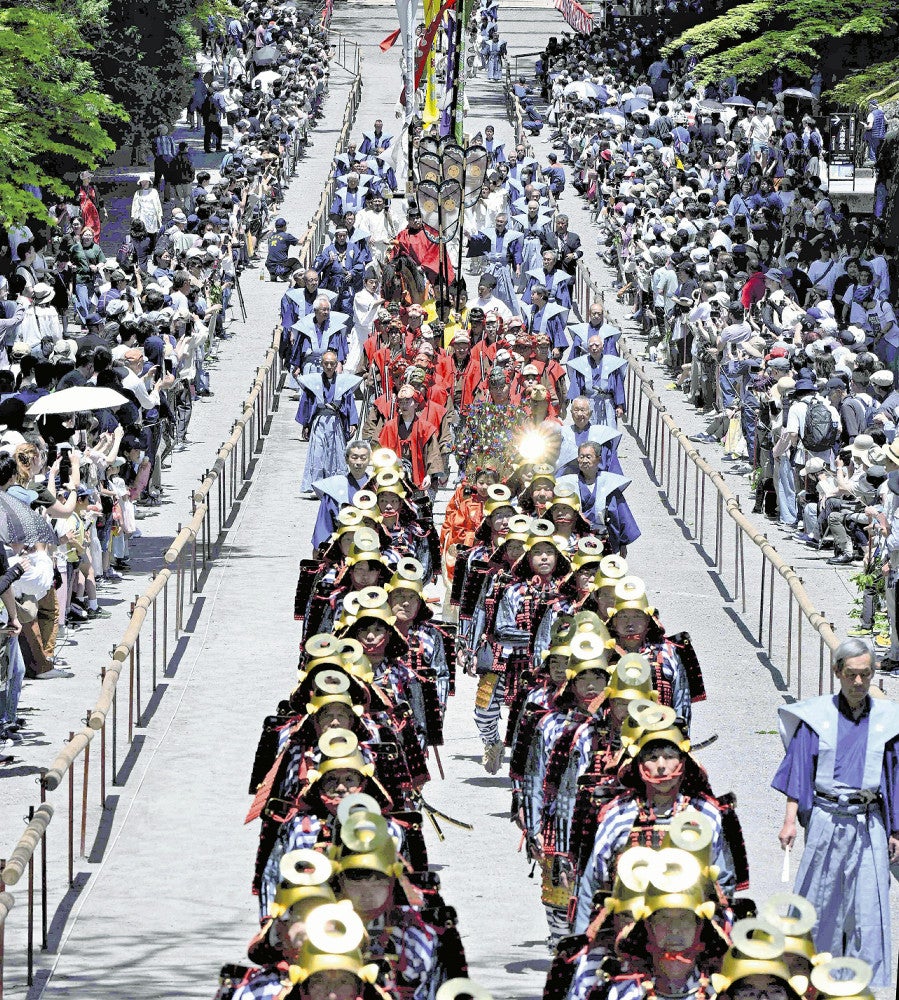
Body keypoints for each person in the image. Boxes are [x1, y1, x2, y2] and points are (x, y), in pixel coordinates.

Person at [772, 636, 899, 985]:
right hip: (826, 818)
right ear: (837, 673)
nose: (858, 683)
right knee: (818, 897)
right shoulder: (816, 716)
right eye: (851, 675)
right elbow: (800, 770)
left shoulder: (889, 719)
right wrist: (789, 821)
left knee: (867, 904)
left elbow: (895, 776)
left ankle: (860, 985)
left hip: (868, 820)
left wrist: (895, 830)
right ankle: (809, 977)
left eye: (866, 675)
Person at [295, 351, 361, 496]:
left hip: (335, 421)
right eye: (326, 363)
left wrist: (353, 423)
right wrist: (306, 424)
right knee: (317, 453)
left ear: (337, 364)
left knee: (335, 454)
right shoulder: (314, 381)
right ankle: (316, 485)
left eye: (332, 363)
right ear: (322, 364)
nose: (329, 366)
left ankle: (335, 484)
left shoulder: (343, 383)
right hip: (319, 421)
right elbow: (306, 402)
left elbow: (350, 402)